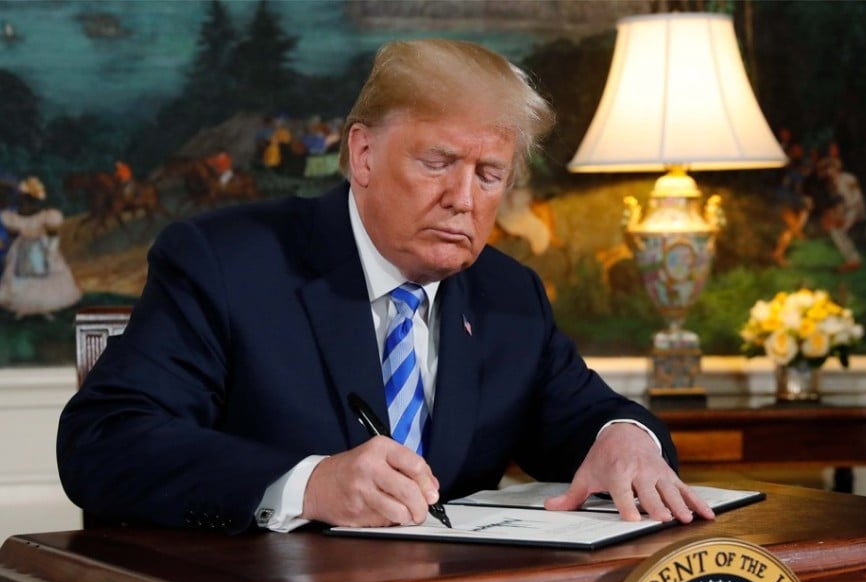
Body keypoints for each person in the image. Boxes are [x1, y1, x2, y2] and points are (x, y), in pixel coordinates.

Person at [57, 39, 714, 534]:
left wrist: (627, 438)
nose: (463, 198)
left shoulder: (507, 295)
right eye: (438, 162)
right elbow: (105, 441)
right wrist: (309, 484)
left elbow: (587, 420)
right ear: (363, 154)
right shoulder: (226, 263)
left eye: (489, 174)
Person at [0, 177, 82, 317]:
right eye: (21, 199)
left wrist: (51, 250)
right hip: (22, 249)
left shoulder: (47, 216)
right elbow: (12, 235)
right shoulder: (12, 217)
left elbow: (53, 235)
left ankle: (43, 308)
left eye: (26, 199)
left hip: (42, 248)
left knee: (45, 277)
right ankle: (23, 307)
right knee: (20, 277)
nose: (22, 202)